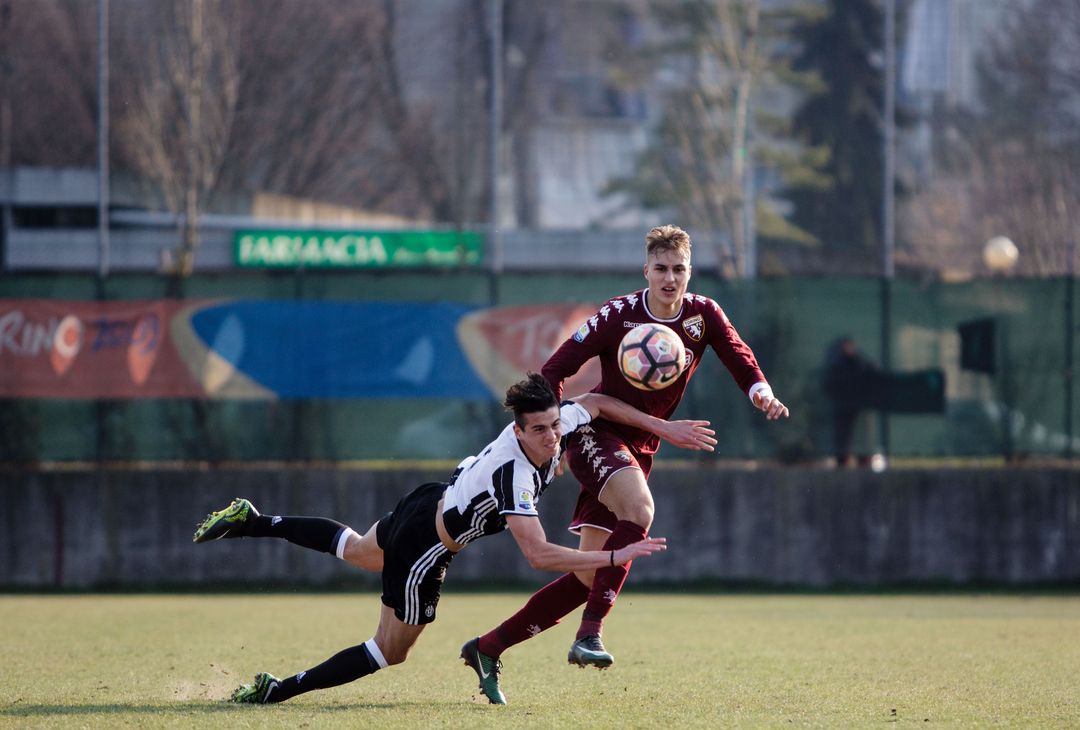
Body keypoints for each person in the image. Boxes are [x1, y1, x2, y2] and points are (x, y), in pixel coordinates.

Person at [192, 372, 716, 705]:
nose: (552, 436)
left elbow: (596, 401)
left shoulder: (556, 426)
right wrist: (616, 554)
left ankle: (253, 519)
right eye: (539, 430)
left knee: (355, 549)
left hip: (427, 501)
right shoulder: (513, 475)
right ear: (517, 431)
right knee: (389, 651)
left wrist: (660, 427)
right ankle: (277, 691)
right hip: (427, 547)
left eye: (555, 426)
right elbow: (537, 555)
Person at [462, 224, 789, 704]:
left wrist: (761, 392)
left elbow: (738, 355)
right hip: (597, 434)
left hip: (639, 448)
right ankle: (590, 634)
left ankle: (488, 648)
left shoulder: (703, 314)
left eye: (679, 269)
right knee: (640, 510)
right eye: (661, 268)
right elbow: (555, 369)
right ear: (646, 271)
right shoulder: (617, 315)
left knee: (590, 574)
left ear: (689, 272)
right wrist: (553, 435)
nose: (670, 278)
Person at [822, 336, 879, 467]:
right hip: (842, 407)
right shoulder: (837, 365)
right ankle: (842, 460)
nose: (848, 349)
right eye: (845, 346)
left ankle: (864, 460)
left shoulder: (861, 362)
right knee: (843, 436)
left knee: (863, 435)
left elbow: (871, 373)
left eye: (850, 346)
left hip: (861, 407)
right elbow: (830, 385)